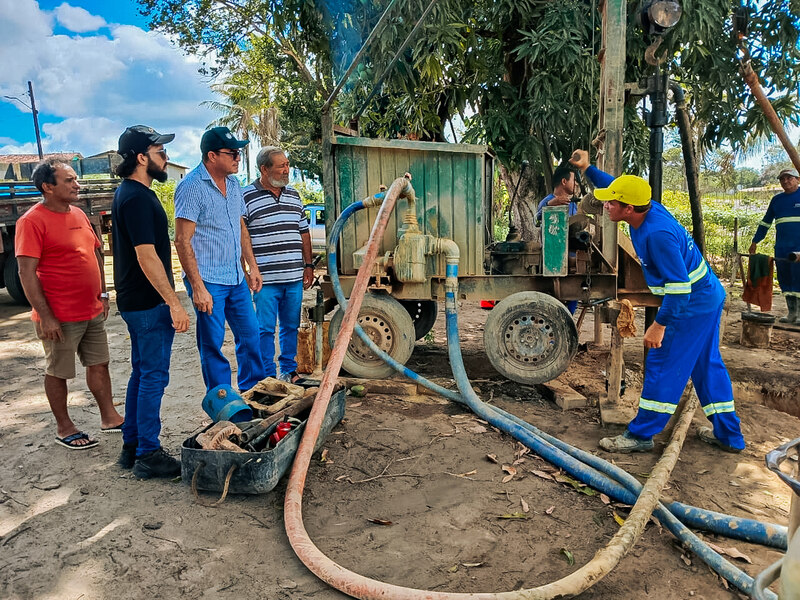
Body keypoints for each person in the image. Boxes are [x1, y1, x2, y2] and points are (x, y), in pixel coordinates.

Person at [570, 150, 746, 454]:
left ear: (628, 209)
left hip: (691, 304)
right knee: (706, 366)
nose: (606, 206)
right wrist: (588, 168)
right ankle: (730, 436)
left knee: (662, 364)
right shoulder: (645, 207)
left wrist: (659, 326)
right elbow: (614, 185)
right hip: (708, 296)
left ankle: (641, 434)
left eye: (611, 203)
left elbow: (680, 290)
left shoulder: (656, 235)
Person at [15, 159, 124, 450]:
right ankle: (64, 428)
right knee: (59, 371)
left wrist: (103, 294)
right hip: (59, 315)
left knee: (99, 364)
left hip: (91, 309)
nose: (77, 185)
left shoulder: (78, 214)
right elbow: (26, 272)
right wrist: (46, 316)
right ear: (47, 187)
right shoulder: (31, 221)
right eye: (69, 180)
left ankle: (110, 417)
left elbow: (95, 254)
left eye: (76, 179)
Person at [112, 125, 191, 478]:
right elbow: (147, 256)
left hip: (136, 301)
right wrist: (173, 302)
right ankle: (147, 453)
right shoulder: (138, 198)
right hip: (147, 303)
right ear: (142, 158)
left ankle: (132, 446)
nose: (166, 158)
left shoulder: (129, 193)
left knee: (142, 373)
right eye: (160, 152)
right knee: (153, 377)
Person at [174, 126, 265, 393]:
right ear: (212, 156)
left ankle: (253, 392)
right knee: (212, 344)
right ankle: (223, 401)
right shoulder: (191, 187)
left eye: (239, 153)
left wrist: (252, 267)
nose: (238, 158)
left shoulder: (234, 185)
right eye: (232, 153)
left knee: (251, 336)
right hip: (208, 280)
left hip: (236, 277)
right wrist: (198, 287)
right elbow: (182, 240)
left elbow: (241, 227)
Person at [242, 147, 314, 383]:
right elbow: (241, 236)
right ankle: (267, 375)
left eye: (287, 164)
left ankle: (289, 371)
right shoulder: (246, 196)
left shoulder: (294, 195)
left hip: (293, 277)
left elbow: (303, 232)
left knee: (290, 326)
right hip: (265, 280)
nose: (286, 170)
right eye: (281, 166)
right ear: (264, 169)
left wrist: (308, 265)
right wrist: (248, 270)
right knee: (264, 329)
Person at [748, 167, 800, 324]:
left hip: (799, 248)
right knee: (785, 279)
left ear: (798, 180)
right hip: (782, 248)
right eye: (782, 179)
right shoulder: (777, 200)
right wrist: (755, 241)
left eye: (789, 178)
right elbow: (765, 222)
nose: (785, 181)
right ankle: (792, 313)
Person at [537, 164, 579, 314]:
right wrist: (550, 205)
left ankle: (569, 318)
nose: (576, 185)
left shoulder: (573, 204)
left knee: (576, 290)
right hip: (553, 255)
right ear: (564, 181)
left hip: (571, 251)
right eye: (574, 181)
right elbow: (537, 218)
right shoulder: (547, 200)